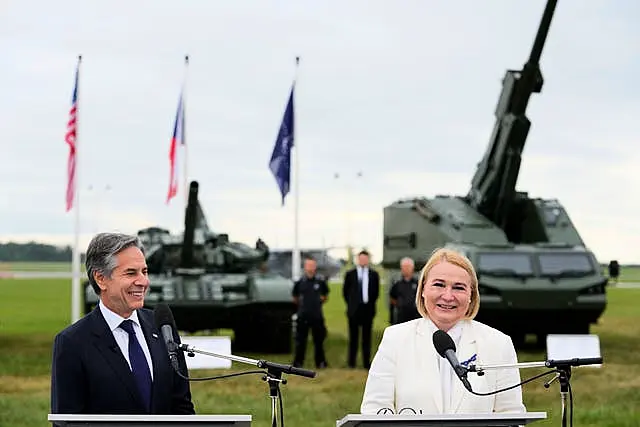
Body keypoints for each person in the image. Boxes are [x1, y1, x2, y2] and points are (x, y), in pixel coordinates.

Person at [360, 248, 525, 415]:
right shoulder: (395, 339)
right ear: (423, 289)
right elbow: (374, 408)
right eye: (439, 284)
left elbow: (511, 413)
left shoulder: (498, 343)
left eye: (458, 288)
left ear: (471, 295)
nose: (447, 296)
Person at [50, 232, 195, 415]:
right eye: (131, 273)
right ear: (101, 279)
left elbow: (182, 407)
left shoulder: (162, 326)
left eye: (144, 271)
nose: (143, 282)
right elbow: (67, 420)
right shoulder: (72, 342)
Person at [342, 250, 380, 369]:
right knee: (353, 337)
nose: (363, 261)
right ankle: (351, 362)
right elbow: (345, 292)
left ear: (368, 260)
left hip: (367, 310)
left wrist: (369, 304)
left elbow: (376, 292)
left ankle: (366, 362)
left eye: (365, 259)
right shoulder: (350, 274)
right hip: (353, 310)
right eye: (361, 259)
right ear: (358, 260)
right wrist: (351, 304)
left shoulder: (374, 275)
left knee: (366, 338)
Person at [292, 257, 329, 368]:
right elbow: (295, 297)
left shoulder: (320, 282)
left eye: (312, 265)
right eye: (308, 265)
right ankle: (298, 363)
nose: (310, 268)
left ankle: (320, 362)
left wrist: (317, 303)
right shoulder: (300, 282)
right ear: (305, 267)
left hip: (317, 316)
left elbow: (325, 296)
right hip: (303, 316)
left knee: (319, 341)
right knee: (300, 341)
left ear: (315, 267)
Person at [389, 257, 420, 324]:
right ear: (401, 268)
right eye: (404, 267)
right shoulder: (397, 283)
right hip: (401, 317)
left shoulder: (418, 283)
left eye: (408, 267)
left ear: (413, 268)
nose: (406, 269)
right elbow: (392, 299)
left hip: (415, 317)